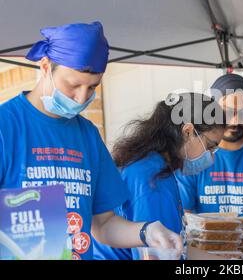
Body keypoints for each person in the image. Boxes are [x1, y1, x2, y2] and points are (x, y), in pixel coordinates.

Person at [0, 22, 182, 260]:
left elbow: (104, 224)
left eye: (93, 87)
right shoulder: (7, 126)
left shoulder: (87, 135)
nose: (82, 97)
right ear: (45, 67)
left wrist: (146, 231)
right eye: (73, 85)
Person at [93, 92, 225, 259]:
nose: (211, 156)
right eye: (210, 146)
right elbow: (157, 254)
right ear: (188, 132)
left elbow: (177, 247)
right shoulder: (152, 179)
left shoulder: (151, 165)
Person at [176, 73, 243, 247]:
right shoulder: (194, 149)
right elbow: (184, 215)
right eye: (227, 112)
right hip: (204, 255)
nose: (235, 121)